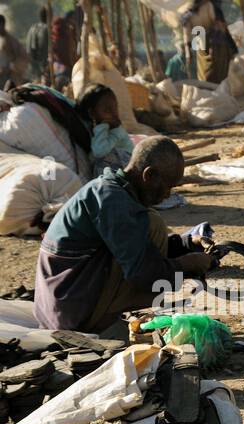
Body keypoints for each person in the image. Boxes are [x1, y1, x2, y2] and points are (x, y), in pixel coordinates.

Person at [34, 136, 213, 334]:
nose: (168, 195)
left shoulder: (112, 190)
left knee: (150, 225)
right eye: (168, 186)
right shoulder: (113, 201)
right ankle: (98, 322)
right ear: (149, 175)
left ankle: (103, 315)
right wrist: (187, 264)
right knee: (153, 224)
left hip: (64, 303)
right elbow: (144, 274)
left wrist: (187, 243)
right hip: (70, 313)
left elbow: (134, 246)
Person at [77, 84, 133, 175]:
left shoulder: (115, 129)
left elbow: (99, 151)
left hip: (128, 165)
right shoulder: (100, 128)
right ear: (92, 113)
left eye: (115, 107)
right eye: (107, 110)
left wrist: (105, 127)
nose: (114, 113)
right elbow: (98, 152)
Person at [0, 15, 31, 87]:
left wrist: (5, 70)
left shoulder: (9, 41)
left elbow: (15, 61)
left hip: (9, 78)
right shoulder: (4, 39)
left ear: (2, 25)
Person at [26, 9, 49, 86]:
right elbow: (46, 50)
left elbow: (28, 50)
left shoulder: (32, 28)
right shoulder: (47, 29)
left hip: (33, 67)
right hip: (44, 67)